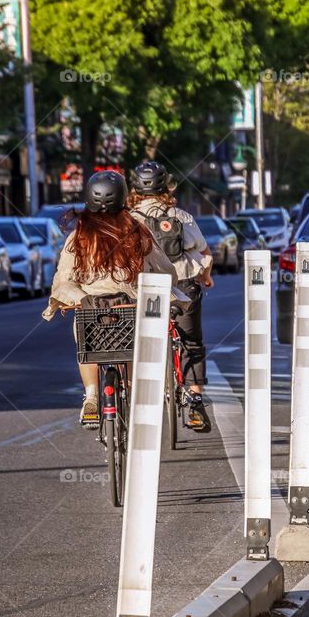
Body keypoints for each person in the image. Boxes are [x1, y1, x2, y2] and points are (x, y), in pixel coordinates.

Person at [42, 170, 179, 428]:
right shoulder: (138, 232)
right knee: (130, 346)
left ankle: (92, 396)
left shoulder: (78, 237)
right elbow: (165, 270)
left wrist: (72, 299)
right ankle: (128, 388)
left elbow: (63, 278)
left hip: (91, 310)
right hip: (128, 308)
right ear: (123, 198)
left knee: (88, 348)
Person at [127, 161, 214, 432]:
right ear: (167, 187)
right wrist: (206, 276)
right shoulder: (181, 217)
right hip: (183, 286)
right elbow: (205, 252)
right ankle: (196, 399)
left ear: (135, 189)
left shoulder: (127, 220)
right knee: (192, 343)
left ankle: (134, 395)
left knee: (136, 342)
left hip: (143, 290)